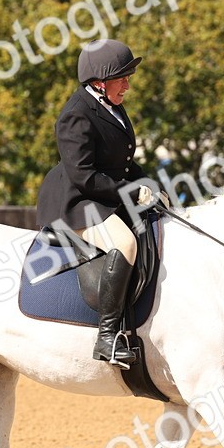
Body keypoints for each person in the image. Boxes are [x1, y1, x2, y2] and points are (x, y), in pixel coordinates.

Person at [36, 39, 159, 370]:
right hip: (78, 202)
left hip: (105, 195)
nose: (128, 85)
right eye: (123, 78)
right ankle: (108, 337)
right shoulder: (76, 115)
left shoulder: (111, 106)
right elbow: (84, 176)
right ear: (100, 81)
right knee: (126, 243)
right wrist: (131, 194)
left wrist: (149, 185)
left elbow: (124, 161)